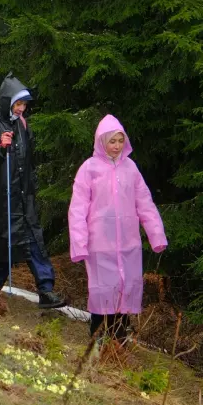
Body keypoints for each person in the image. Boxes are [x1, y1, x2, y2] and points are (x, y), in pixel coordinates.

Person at [68, 115, 167, 343]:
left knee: (126, 288)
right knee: (103, 290)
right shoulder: (89, 169)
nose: (117, 146)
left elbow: (145, 203)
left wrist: (157, 235)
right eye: (112, 141)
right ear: (101, 141)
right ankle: (98, 336)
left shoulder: (131, 169)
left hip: (128, 243)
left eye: (121, 141)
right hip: (100, 243)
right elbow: (78, 209)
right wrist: (79, 243)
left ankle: (120, 338)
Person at [0, 74, 68, 309]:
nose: (21, 109)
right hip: (1, 201)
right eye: (18, 104)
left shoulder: (23, 125)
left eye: (24, 104)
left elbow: (29, 162)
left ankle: (46, 290)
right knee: (3, 249)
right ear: (6, 101)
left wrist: (31, 189)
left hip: (24, 198)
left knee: (34, 242)